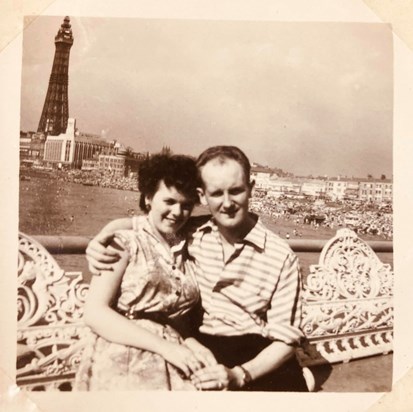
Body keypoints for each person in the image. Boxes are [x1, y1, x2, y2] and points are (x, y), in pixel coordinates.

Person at [86, 146, 308, 392]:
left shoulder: (281, 256)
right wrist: (103, 236)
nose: (227, 203)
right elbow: (148, 224)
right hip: (202, 347)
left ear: (251, 189)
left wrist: (240, 375)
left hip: (258, 358)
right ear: (203, 196)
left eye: (236, 191)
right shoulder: (191, 232)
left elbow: (287, 341)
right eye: (216, 193)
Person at [74, 153, 217, 391]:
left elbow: (169, 316)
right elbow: (95, 313)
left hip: (176, 351)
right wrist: (165, 348)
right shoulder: (124, 242)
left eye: (186, 206)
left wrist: (191, 343)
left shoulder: (185, 245)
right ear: (149, 197)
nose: (177, 212)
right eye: (169, 202)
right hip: (125, 349)